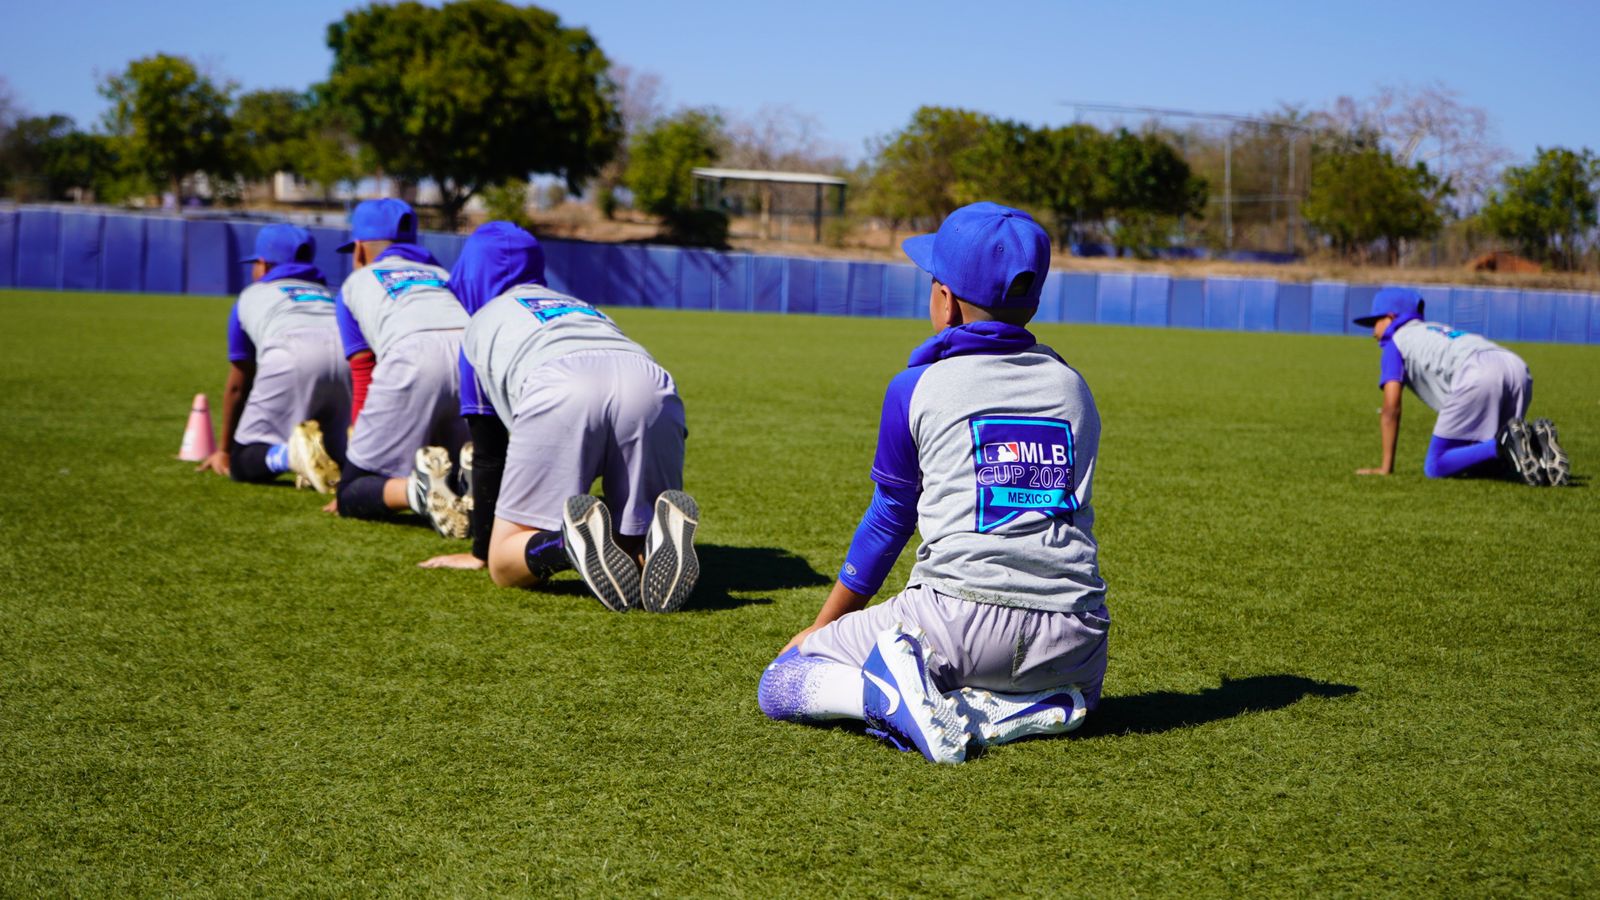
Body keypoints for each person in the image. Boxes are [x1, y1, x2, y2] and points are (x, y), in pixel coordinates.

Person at [757, 202, 1111, 764]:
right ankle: (1000, 708)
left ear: (944, 301)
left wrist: (820, 629)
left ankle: (889, 692)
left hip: (958, 621)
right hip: (1077, 644)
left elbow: (890, 516)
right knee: (1028, 680)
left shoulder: (915, 387)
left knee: (780, 683)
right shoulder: (1074, 388)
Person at [417, 221, 700, 613]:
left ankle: (569, 541)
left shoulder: (479, 324)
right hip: (650, 384)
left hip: (559, 383)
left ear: (470, 274)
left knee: (503, 564)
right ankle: (648, 541)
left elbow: (488, 452)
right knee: (630, 532)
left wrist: (482, 550)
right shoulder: (581, 306)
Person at [331, 198, 472, 535]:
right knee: (456, 459)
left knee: (352, 491)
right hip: (473, 359)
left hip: (414, 358)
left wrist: (357, 454)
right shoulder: (443, 274)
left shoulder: (356, 283)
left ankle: (416, 490)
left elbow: (364, 372)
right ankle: (472, 481)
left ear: (360, 249)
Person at [1352, 287, 1569, 485]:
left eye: (1375, 322)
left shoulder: (1396, 342)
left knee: (1436, 465)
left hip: (1476, 372)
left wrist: (1385, 467)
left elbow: (1391, 408)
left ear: (1390, 317)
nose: (1373, 331)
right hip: (1515, 366)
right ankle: (1537, 448)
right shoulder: (1432, 328)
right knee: (1488, 462)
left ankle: (1504, 442)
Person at [196, 224, 347, 491]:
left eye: (255, 264)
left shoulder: (252, 295)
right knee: (337, 452)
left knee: (243, 461)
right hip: (346, 359)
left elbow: (237, 386)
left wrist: (224, 450)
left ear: (264, 265)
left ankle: (290, 456)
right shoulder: (329, 294)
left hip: (293, 353)